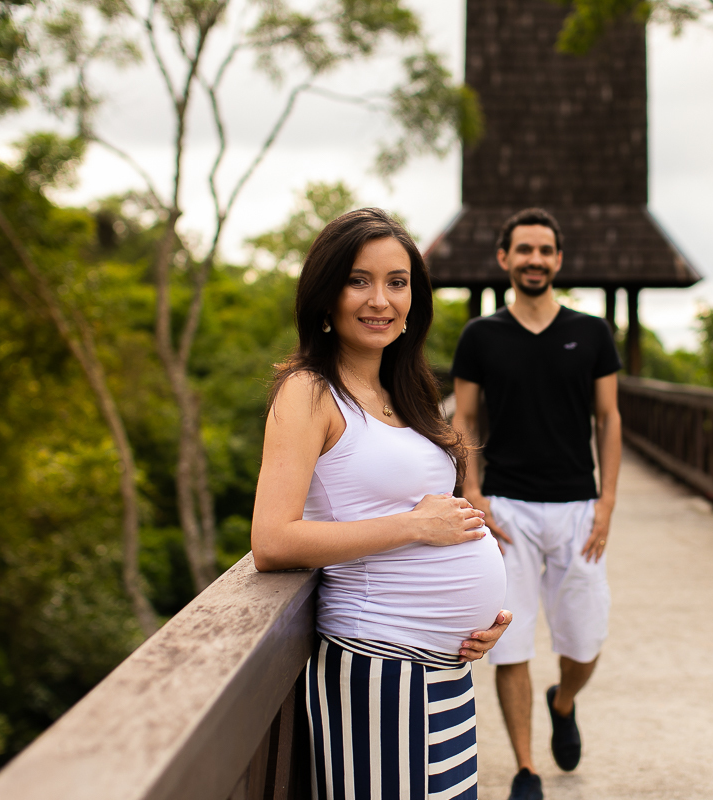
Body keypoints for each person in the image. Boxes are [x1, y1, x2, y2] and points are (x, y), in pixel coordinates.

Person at [251, 208, 512, 800]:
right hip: (380, 666)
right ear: (325, 295)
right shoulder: (309, 391)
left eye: (397, 282)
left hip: (443, 669)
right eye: (358, 280)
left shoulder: (407, 391)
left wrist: (476, 621)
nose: (381, 299)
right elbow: (271, 541)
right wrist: (415, 526)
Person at [450, 208, 622, 800]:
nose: (534, 260)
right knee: (512, 642)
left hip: (578, 506)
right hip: (507, 508)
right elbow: (464, 417)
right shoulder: (480, 337)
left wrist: (607, 503)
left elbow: (609, 417)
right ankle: (526, 769)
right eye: (523, 250)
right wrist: (471, 490)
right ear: (504, 259)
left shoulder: (593, 333)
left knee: (584, 642)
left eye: (545, 250)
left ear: (558, 260)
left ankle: (565, 698)